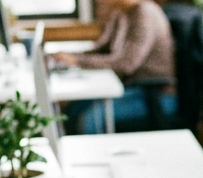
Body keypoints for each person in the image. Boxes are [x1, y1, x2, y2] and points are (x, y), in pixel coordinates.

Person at [51, 0, 175, 134]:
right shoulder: (121, 13)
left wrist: (77, 61)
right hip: (129, 87)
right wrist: (68, 57)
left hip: (153, 93)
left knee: (91, 120)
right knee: (73, 109)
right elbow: (102, 49)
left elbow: (127, 64)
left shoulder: (144, 13)